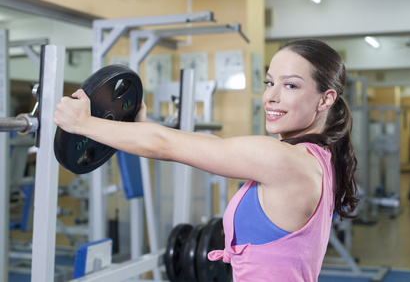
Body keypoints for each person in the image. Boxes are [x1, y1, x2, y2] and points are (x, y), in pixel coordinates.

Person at [54, 39, 358, 282]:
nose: (270, 97)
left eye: (290, 85)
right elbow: (211, 145)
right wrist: (137, 129)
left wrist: (82, 124)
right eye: (269, 83)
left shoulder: (285, 160)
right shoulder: (319, 158)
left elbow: (164, 146)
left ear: (326, 99)